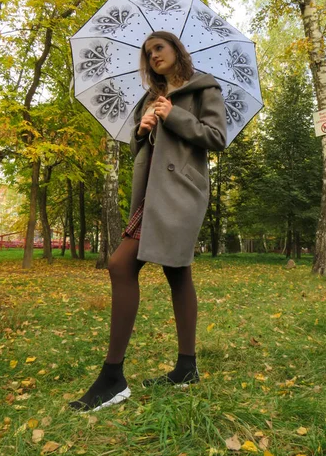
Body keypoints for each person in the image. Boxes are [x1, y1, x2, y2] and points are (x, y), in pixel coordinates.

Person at [69, 30, 227, 412]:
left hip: (182, 194)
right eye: (147, 52)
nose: (153, 55)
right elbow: (147, 149)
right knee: (178, 273)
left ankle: (112, 378)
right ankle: (186, 368)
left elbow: (217, 137)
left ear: (176, 49)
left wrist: (175, 116)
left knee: (120, 264)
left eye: (159, 47)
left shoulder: (205, 89)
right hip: (152, 195)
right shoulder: (149, 98)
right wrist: (142, 132)